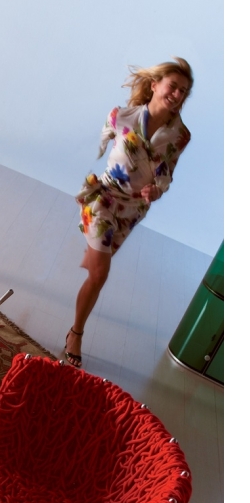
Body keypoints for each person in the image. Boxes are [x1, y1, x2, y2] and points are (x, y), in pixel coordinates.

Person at [65, 57, 193, 368]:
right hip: (104, 198)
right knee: (100, 274)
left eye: (183, 91)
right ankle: (75, 334)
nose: (177, 94)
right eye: (173, 86)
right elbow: (101, 146)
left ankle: (93, 256)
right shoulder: (120, 116)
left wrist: (157, 190)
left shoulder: (180, 135)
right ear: (154, 85)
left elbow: (166, 173)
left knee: (95, 271)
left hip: (133, 210)